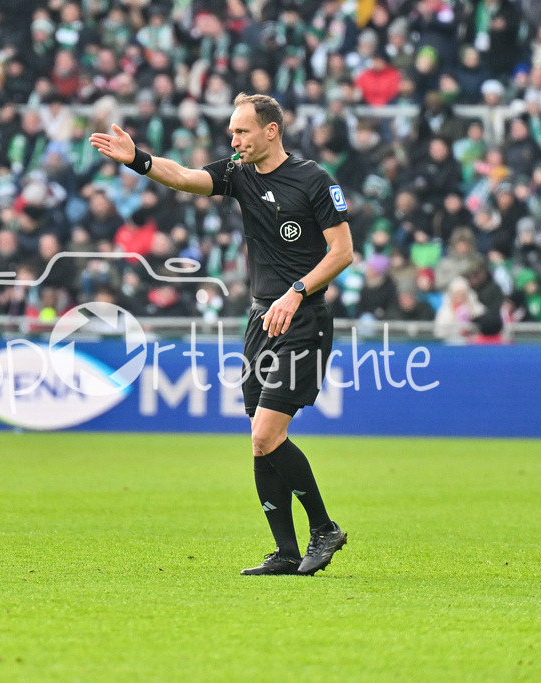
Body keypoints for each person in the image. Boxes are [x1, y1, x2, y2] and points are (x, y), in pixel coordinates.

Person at [90, 93, 354, 576]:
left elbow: (342, 253)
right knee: (259, 441)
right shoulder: (239, 173)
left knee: (266, 434)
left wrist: (295, 292)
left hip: (303, 318)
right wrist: (139, 161)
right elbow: (186, 177)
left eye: (242, 132)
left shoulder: (314, 180)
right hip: (259, 320)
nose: (234, 141)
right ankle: (287, 552)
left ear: (271, 130)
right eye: (232, 133)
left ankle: (324, 529)